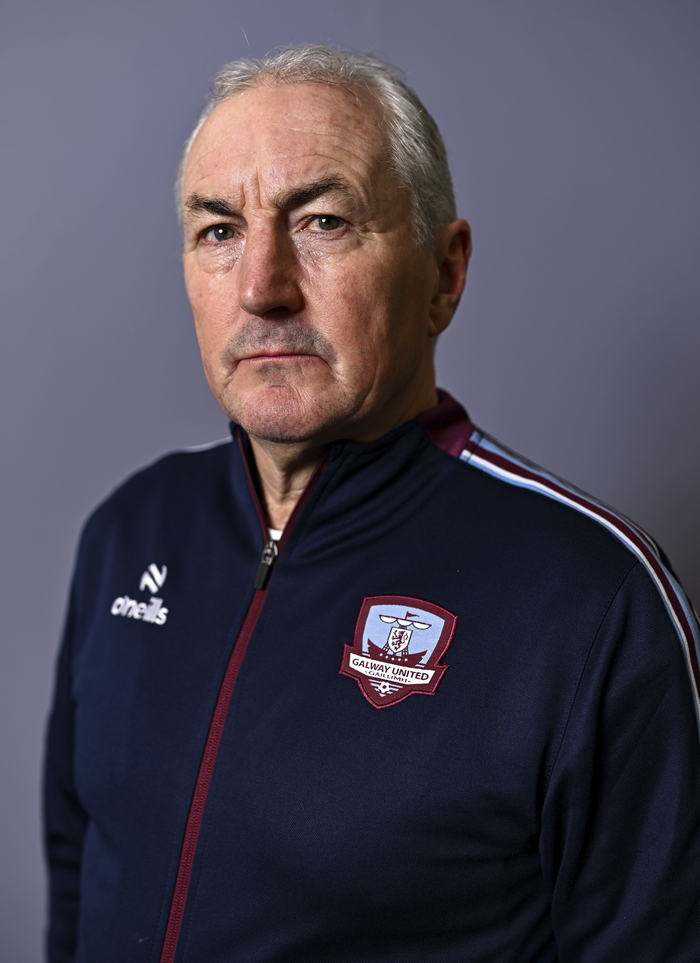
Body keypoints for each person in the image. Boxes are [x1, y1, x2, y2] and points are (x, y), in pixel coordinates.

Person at [43, 45, 700, 963]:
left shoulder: (593, 603)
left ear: (444, 272)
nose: (262, 287)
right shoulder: (128, 530)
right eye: (219, 230)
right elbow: (79, 882)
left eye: (321, 220)